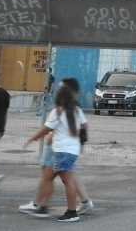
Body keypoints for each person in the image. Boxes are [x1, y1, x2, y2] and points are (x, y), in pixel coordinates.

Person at [18, 78, 93, 217]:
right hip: (70, 150)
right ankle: (42, 206)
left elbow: (46, 129)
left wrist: (31, 138)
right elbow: (84, 125)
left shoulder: (58, 112)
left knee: (66, 180)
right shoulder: (76, 110)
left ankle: (69, 213)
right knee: (50, 175)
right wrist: (76, 136)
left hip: (62, 151)